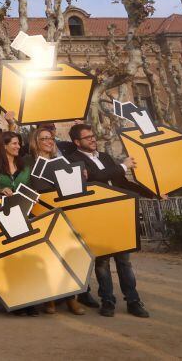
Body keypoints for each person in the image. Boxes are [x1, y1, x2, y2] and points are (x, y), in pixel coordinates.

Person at [67, 123, 151, 319]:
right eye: (87, 137)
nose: (93, 139)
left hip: (118, 215)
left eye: (93, 136)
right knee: (102, 262)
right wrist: (122, 165)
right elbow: (95, 179)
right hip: (98, 217)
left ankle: (133, 301)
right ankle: (108, 301)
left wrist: (152, 193)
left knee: (124, 262)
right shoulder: (74, 160)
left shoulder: (105, 157)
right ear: (77, 142)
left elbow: (122, 182)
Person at [28, 127, 86, 316]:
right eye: (44, 138)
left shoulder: (61, 161)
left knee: (69, 257)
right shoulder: (29, 162)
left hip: (64, 213)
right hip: (42, 213)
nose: (49, 141)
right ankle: (50, 299)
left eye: (51, 138)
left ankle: (72, 299)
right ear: (36, 141)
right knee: (49, 258)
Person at [0, 130, 38, 316]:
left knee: (27, 260)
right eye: (14, 143)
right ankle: (14, 301)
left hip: (26, 216)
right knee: (10, 260)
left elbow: (34, 186)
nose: (18, 146)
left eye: (19, 143)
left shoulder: (26, 163)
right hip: (4, 218)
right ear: (4, 146)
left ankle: (30, 300)